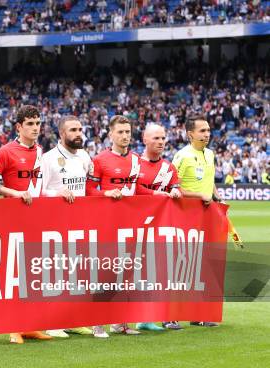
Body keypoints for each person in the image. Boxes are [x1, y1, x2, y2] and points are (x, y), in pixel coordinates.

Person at [86, 115, 167, 336]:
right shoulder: (100, 160)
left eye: (127, 132)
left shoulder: (135, 161)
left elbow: (138, 189)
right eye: (120, 132)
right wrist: (106, 193)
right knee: (106, 273)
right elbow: (89, 191)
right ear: (110, 134)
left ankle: (120, 323)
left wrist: (156, 193)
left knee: (127, 273)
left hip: (130, 225)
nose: (124, 136)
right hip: (107, 224)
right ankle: (97, 322)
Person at [0, 105, 52, 344]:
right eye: (30, 124)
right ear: (19, 127)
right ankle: (13, 328)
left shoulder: (41, 151)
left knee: (33, 272)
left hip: (37, 219)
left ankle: (29, 326)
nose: (35, 128)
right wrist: (13, 193)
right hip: (13, 220)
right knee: (14, 273)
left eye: (38, 123)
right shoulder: (6, 151)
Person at [39, 115, 103, 339]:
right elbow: (38, 191)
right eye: (73, 130)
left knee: (74, 272)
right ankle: (52, 323)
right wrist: (55, 194)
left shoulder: (85, 157)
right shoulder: (48, 159)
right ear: (61, 134)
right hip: (54, 223)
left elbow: (87, 187)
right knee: (55, 273)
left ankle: (72, 320)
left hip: (79, 222)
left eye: (80, 129)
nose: (78, 133)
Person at [171, 114, 222, 328]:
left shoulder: (210, 154)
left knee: (201, 267)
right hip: (185, 216)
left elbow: (209, 182)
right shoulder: (181, 156)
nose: (207, 134)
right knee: (181, 265)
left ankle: (197, 314)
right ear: (190, 133)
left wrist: (218, 198)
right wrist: (198, 196)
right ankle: (169, 315)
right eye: (202, 131)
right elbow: (173, 187)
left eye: (208, 130)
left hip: (206, 217)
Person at [137, 123, 182, 331]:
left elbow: (176, 188)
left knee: (163, 272)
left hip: (162, 227)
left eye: (163, 138)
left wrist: (176, 193)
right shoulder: (135, 164)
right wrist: (155, 194)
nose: (161, 142)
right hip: (137, 226)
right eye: (156, 138)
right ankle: (138, 318)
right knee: (139, 273)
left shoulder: (168, 167)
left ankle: (163, 316)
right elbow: (134, 188)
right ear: (145, 139)